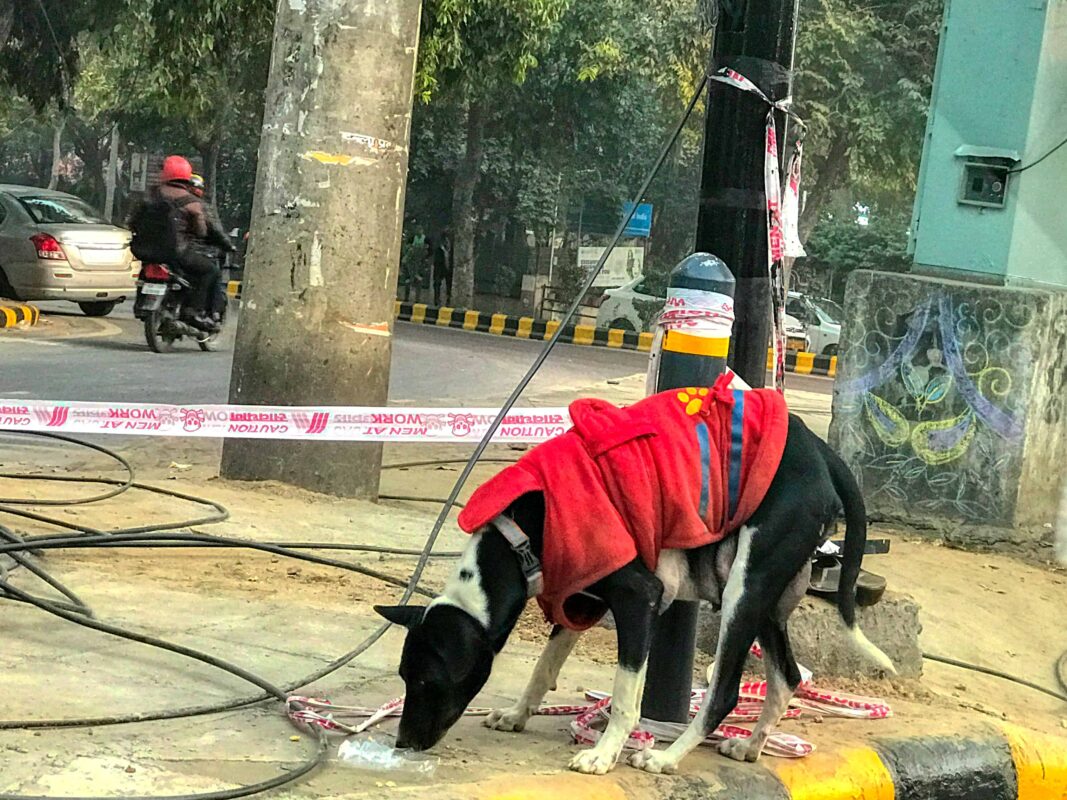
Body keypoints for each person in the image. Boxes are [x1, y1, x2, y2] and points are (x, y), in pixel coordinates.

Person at [127, 156, 220, 332]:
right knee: (210, 270)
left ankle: (143, 304)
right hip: (176, 253)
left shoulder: (148, 197)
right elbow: (201, 231)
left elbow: (132, 221)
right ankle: (194, 311)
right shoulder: (191, 201)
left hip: (144, 252)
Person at [187, 173, 236, 321]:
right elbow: (214, 230)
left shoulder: (168, 200)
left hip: (171, 253)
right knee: (213, 272)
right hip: (193, 253)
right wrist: (228, 245)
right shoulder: (198, 206)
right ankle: (200, 310)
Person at [432, 230, 453, 306]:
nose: (447, 242)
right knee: (437, 283)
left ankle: (448, 299)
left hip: (449, 269)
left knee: (449, 284)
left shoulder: (452, 249)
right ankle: (436, 299)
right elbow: (436, 261)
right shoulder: (439, 250)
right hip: (440, 269)